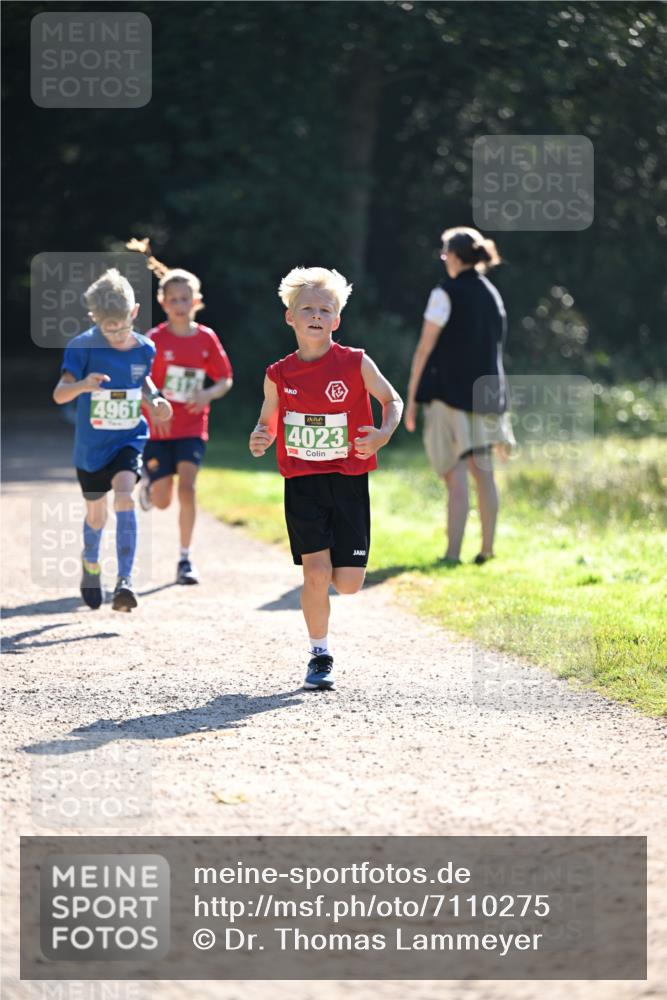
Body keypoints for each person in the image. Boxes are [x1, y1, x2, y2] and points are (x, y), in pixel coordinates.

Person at [249, 266, 403, 691]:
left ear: (336, 320)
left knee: (349, 585)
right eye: (307, 309)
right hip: (302, 481)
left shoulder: (354, 362)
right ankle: (320, 653)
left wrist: (383, 433)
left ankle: (335, 572)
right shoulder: (278, 374)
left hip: (349, 478)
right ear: (290, 317)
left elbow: (392, 399)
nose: (315, 316)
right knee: (315, 573)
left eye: (325, 310)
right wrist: (261, 438)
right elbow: (268, 422)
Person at [53, 268, 172, 611]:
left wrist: (156, 399)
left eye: (123, 326)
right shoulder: (82, 347)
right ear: (94, 319)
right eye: (109, 328)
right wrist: (83, 385)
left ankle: (125, 581)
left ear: (134, 313)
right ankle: (91, 565)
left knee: (125, 497)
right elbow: (60, 395)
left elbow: (144, 381)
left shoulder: (145, 348)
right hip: (91, 450)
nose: (118, 334)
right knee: (96, 516)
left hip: (128, 438)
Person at [404, 226, 515, 565]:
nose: (443, 259)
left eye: (444, 253)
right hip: (488, 395)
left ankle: (452, 554)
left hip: (448, 395)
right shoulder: (492, 294)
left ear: (453, 256)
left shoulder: (445, 293)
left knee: (454, 474)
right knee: (484, 473)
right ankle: (487, 549)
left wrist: (410, 398)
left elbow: (425, 348)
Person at [138, 265, 233, 585]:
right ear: (163, 303)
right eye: (173, 299)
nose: (179, 304)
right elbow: (140, 380)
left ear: (196, 301)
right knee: (163, 501)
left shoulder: (206, 338)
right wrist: (151, 410)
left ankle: (184, 558)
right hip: (159, 428)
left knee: (189, 488)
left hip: (193, 426)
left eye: (185, 298)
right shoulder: (154, 339)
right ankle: (150, 484)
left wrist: (207, 393)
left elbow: (224, 379)